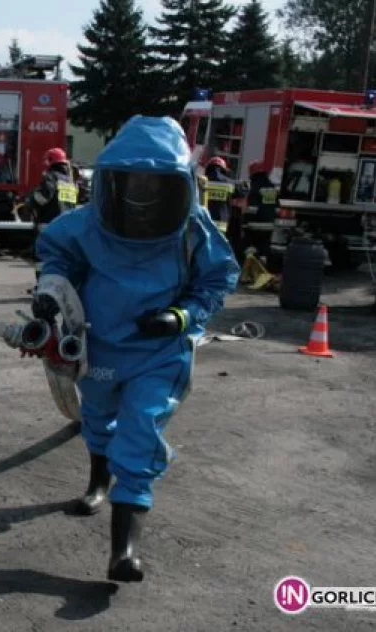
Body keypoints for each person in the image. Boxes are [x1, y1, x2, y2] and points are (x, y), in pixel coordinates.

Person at [31, 116, 240, 582]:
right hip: (99, 345)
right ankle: (97, 481)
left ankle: (123, 550)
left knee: (140, 430)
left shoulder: (192, 229)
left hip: (159, 351)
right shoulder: (87, 224)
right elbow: (57, 255)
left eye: (155, 184)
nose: (143, 194)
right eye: (134, 183)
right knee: (98, 420)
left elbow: (217, 278)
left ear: (179, 184)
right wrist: (51, 291)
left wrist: (183, 317)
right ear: (113, 182)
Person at [27, 147, 79, 281]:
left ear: (51, 161)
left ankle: (42, 284)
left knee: (42, 257)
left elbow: (42, 198)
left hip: (48, 225)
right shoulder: (70, 181)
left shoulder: (51, 177)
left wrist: (30, 200)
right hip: (66, 227)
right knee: (61, 257)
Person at [242, 160, 278, 259]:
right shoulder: (272, 187)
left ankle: (250, 267)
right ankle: (263, 267)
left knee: (249, 248)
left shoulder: (255, 187)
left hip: (255, 226)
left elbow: (251, 209)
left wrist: (244, 223)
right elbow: (276, 208)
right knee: (264, 249)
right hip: (269, 226)